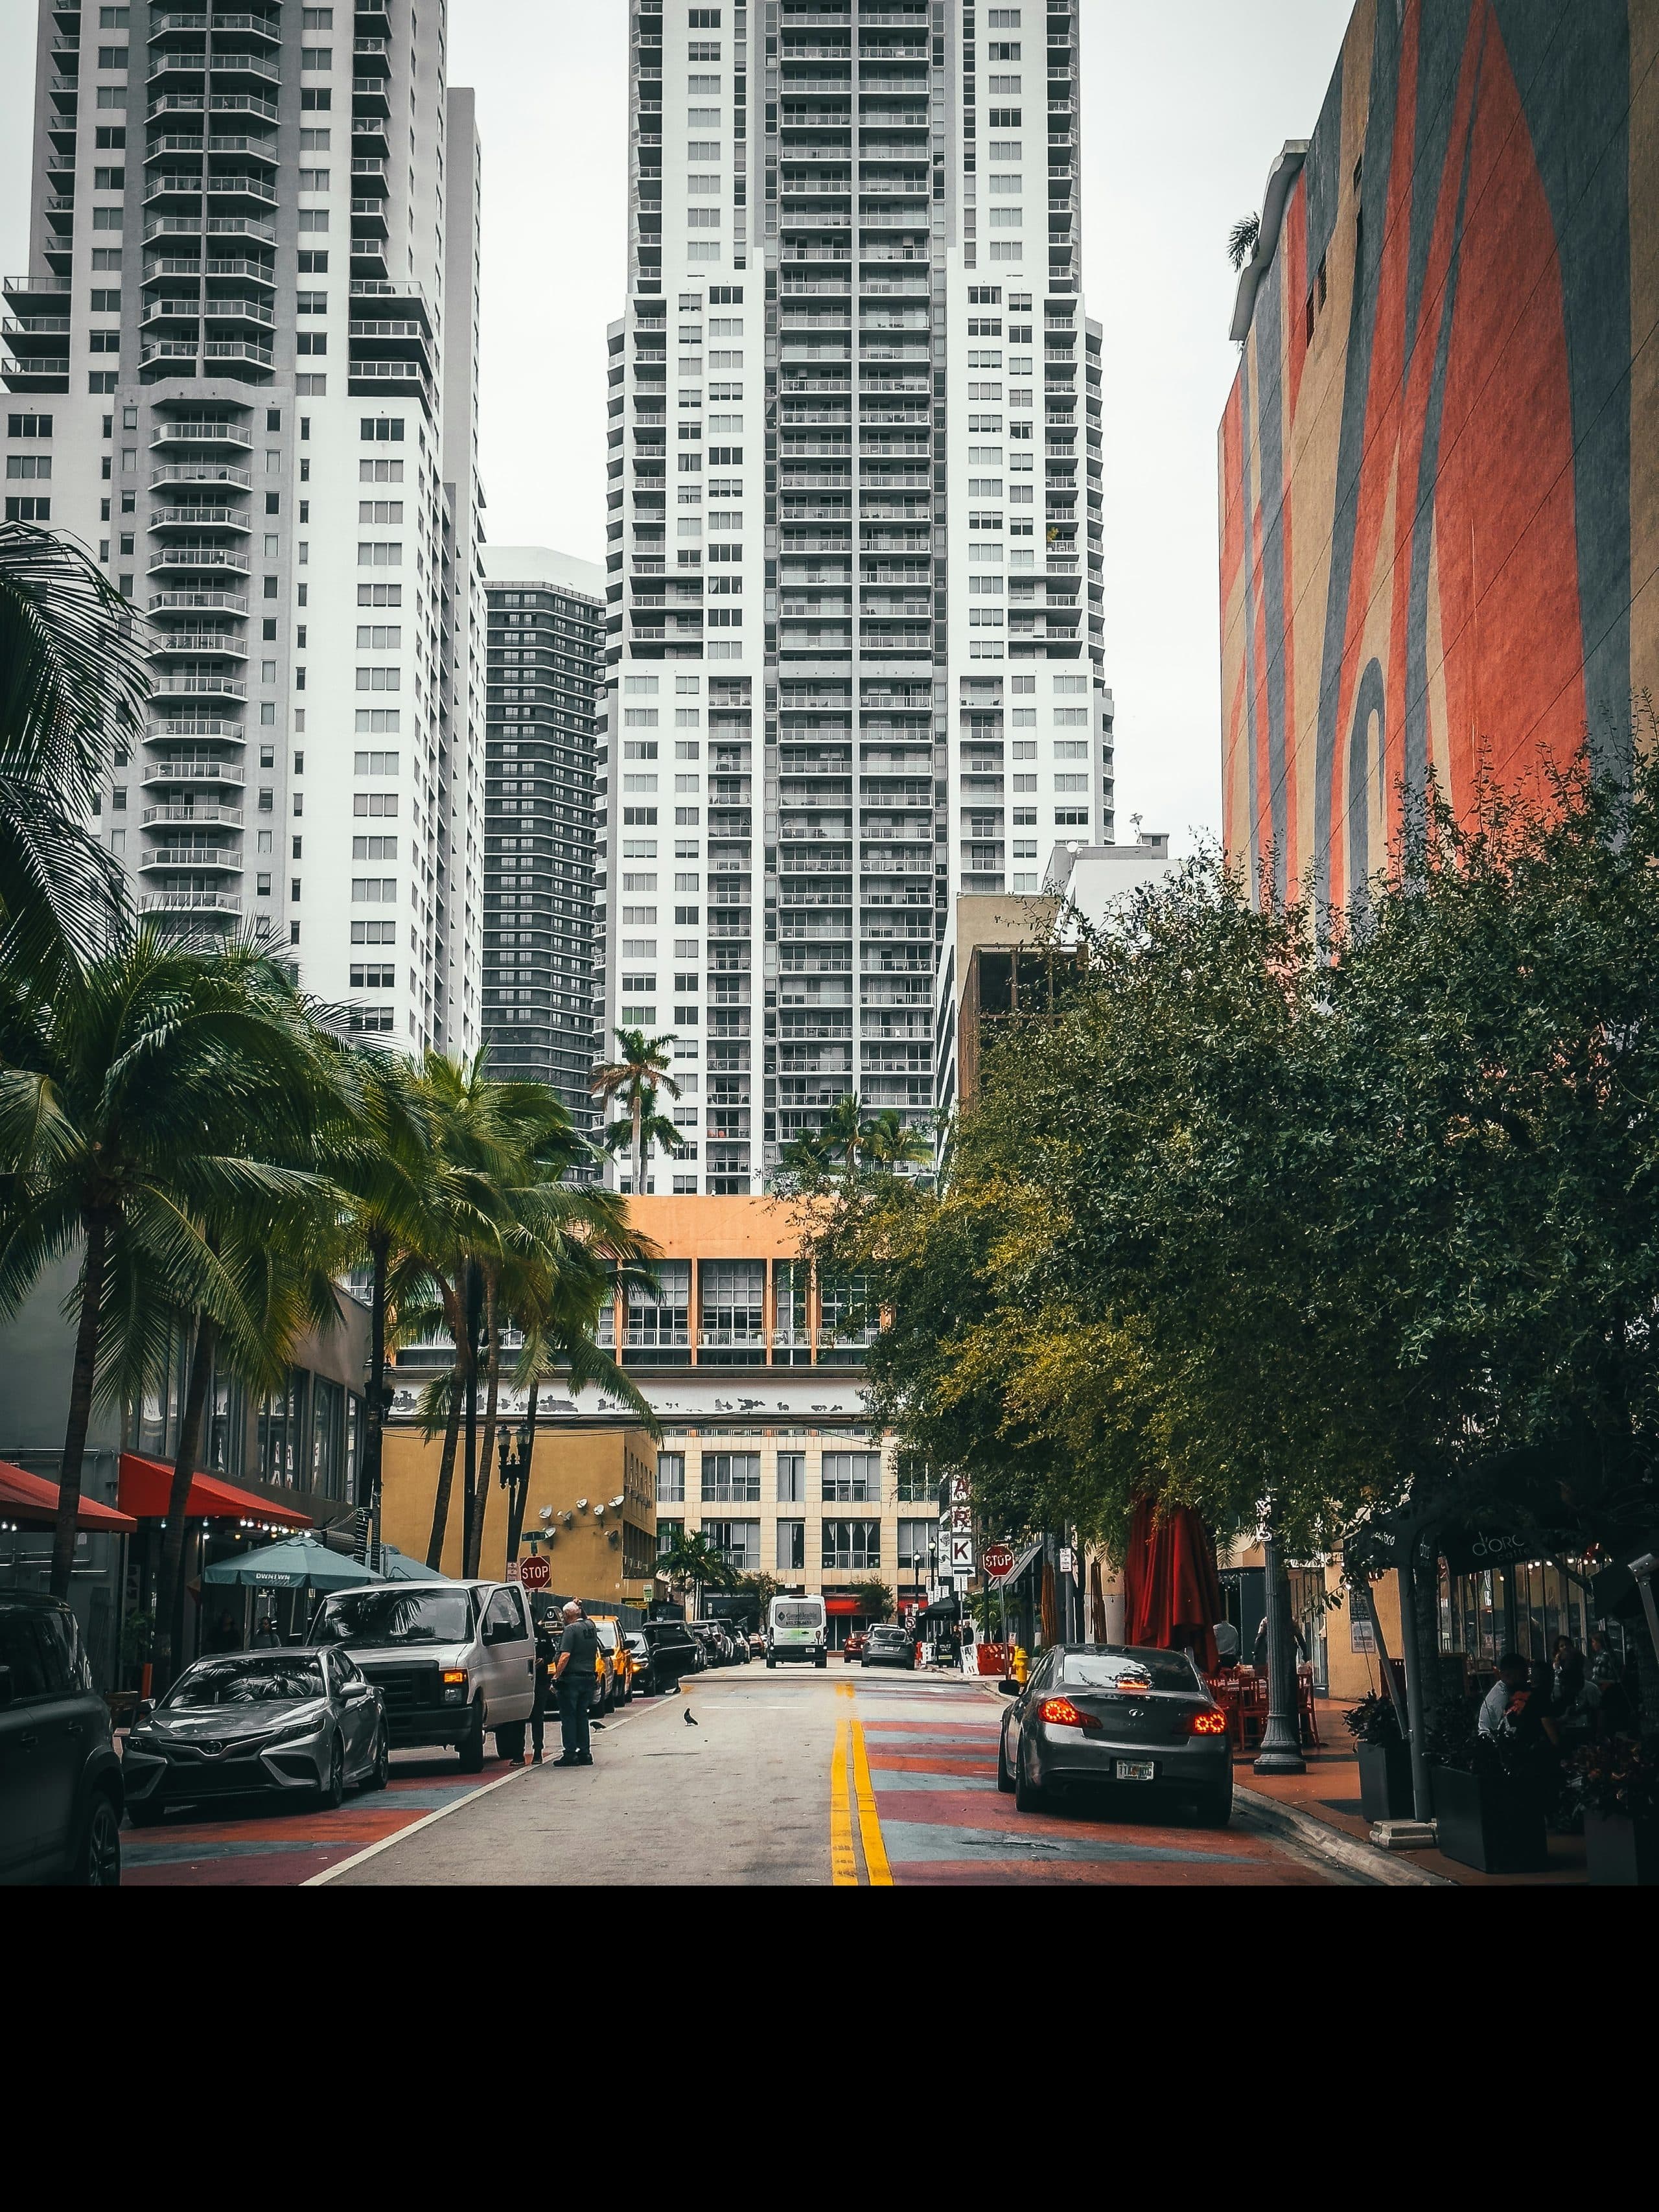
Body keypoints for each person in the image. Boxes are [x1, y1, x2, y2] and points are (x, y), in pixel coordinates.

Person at [553, 1598, 599, 1768]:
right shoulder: (590, 1626)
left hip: (571, 1678)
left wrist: (556, 1677)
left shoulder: (570, 1630)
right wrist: (580, 1607)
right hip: (588, 1677)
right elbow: (585, 1617)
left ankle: (570, 1753)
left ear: (566, 1616)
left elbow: (565, 1656)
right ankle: (585, 1753)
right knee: (582, 1716)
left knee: (568, 1717)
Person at [526, 1603, 559, 1766]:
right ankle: (518, 1754)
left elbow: (552, 1653)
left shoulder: (542, 1634)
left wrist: (544, 1660)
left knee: (538, 1716)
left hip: (539, 1680)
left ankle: (538, 1751)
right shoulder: (517, 1633)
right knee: (518, 1719)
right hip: (520, 1681)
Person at [1477, 1651, 1532, 1738]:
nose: (1527, 1678)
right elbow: (1510, 1726)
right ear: (1507, 1675)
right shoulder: (1501, 1698)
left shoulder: (1508, 1690)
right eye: (1523, 1675)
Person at [1550, 1635, 1584, 1716]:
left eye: (1567, 1645)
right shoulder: (1558, 1662)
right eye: (1562, 1646)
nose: (1565, 1648)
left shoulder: (1575, 1659)